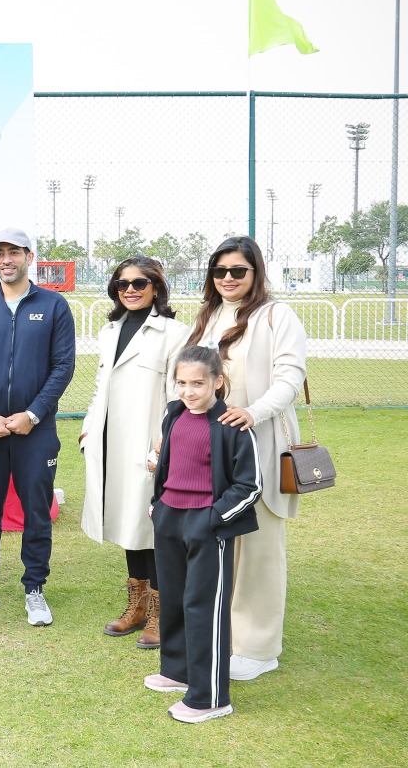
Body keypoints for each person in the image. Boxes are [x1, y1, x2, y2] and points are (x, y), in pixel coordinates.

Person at [185, 236, 307, 681]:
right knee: (218, 540)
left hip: (260, 443)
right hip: (207, 448)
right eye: (220, 272)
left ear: (256, 273)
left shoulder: (276, 315)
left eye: (238, 271)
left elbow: (290, 377)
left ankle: (258, 647)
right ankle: (224, 636)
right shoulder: (206, 317)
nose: (228, 279)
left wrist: (253, 413)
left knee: (258, 546)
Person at [0, 227, 75, 626]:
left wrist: (33, 415)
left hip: (35, 430)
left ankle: (34, 589)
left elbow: (63, 368)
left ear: (29, 256)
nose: (6, 259)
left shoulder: (54, 306)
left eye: (14, 252)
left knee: (36, 512)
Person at [144, 346, 261, 724]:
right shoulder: (173, 415)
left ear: (218, 382)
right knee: (175, 598)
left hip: (207, 524)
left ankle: (210, 696)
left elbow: (251, 485)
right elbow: (165, 466)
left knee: (203, 606)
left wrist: (213, 518)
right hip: (169, 519)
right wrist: (157, 503)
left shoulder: (232, 426)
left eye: (198, 383)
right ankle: (178, 671)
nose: (189, 391)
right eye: (181, 382)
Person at [80, 256, 189, 649]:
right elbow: (100, 386)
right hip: (110, 440)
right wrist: (88, 427)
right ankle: (138, 606)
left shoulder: (174, 333)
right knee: (129, 522)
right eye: (122, 283)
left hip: (150, 443)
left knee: (153, 525)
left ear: (156, 288)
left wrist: (165, 441)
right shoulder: (110, 330)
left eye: (140, 283)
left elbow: (180, 395)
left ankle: (162, 613)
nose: (130, 289)